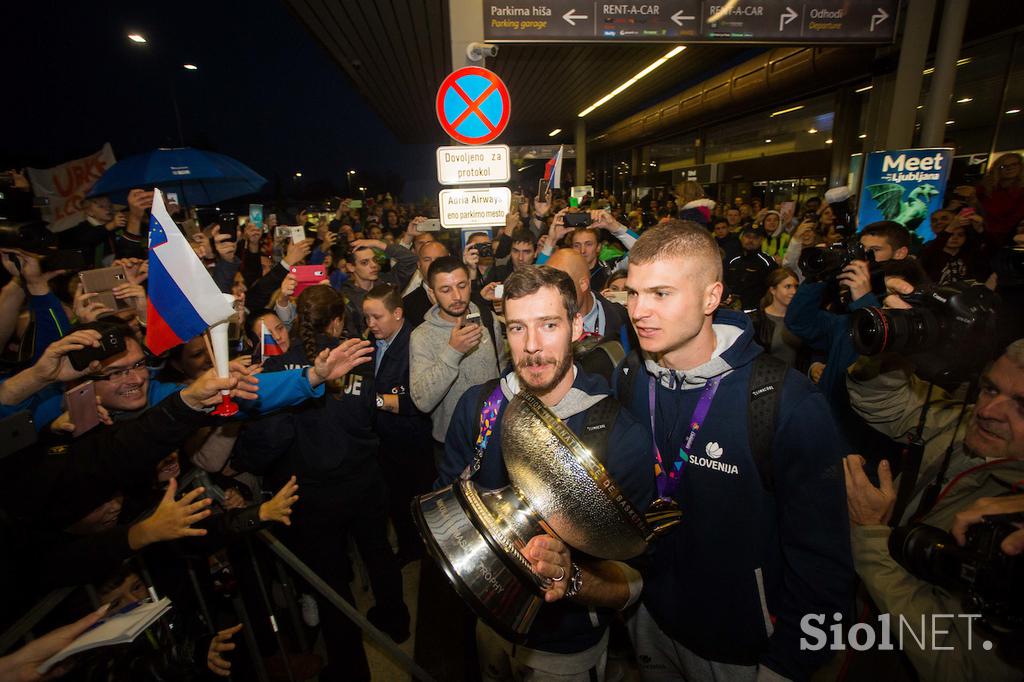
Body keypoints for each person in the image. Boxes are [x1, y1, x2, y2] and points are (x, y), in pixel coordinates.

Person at [612, 221, 854, 682]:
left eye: (661, 294)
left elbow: (822, 560)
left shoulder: (783, 401)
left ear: (711, 298)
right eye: (633, 293)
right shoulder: (632, 376)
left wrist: (788, 665)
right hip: (651, 620)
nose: (640, 311)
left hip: (743, 649)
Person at [437, 265, 653, 681]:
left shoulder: (617, 433)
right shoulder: (478, 405)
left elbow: (635, 578)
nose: (532, 346)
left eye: (548, 325)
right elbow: (445, 497)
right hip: (489, 625)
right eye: (517, 328)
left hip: (565, 647)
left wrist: (573, 577)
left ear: (576, 326)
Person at [234, 285, 408, 682]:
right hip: (362, 479)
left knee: (332, 583)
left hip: (313, 492)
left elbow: (271, 440)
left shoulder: (281, 369)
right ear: (336, 320)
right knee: (378, 551)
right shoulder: (357, 354)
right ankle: (396, 622)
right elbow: (372, 413)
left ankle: (350, 669)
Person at [842, 339, 1024, 681]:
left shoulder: (1017, 531)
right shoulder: (964, 424)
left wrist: (871, 536)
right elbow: (879, 399)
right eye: (990, 389)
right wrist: (900, 345)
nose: (988, 411)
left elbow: (962, 669)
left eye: (1022, 407)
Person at [410, 255, 507, 466]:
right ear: (432, 294)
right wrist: (453, 351)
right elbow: (422, 401)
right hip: (450, 445)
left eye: (461, 286)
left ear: (470, 284)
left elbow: (502, 371)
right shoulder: (422, 336)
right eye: (445, 290)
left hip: (493, 435)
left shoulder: (488, 319)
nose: (456, 296)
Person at [362, 284, 434, 566]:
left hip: (412, 442)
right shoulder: (371, 342)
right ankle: (409, 548)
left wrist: (375, 401)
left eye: (376, 317)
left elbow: (416, 400)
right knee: (396, 501)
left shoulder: (416, 343)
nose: (370, 324)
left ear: (397, 314)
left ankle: (424, 552)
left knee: (416, 501)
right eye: (367, 317)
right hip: (384, 442)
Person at [546, 248, 637, 353]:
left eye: (559, 285)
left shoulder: (624, 318)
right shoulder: (539, 323)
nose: (551, 293)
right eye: (548, 284)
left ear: (583, 284)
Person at [338, 229, 418, 339]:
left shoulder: (388, 285)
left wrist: (377, 243)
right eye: (365, 262)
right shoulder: (344, 298)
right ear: (351, 267)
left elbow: (411, 260)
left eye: (374, 260)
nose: (373, 265)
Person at [749, 267, 808, 371]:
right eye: (788, 286)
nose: (794, 291)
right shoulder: (756, 321)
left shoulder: (801, 319)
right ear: (773, 290)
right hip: (768, 382)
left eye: (796, 286)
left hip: (797, 381)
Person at [724, 225, 778, 311]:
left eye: (755, 238)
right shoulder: (733, 260)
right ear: (742, 238)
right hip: (732, 309)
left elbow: (774, 287)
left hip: (756, 311)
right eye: (747, 236)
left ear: (761, 240)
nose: (750, 240)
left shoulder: (767, 262)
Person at [976, 152, 1024, 246]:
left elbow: (1015, 218)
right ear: (997, 169)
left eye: (1014, 164)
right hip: (983, 234)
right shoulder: (985, 189)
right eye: (1003, 166)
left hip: (1012, 238)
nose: (1009, 168)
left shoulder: (1021, 192)